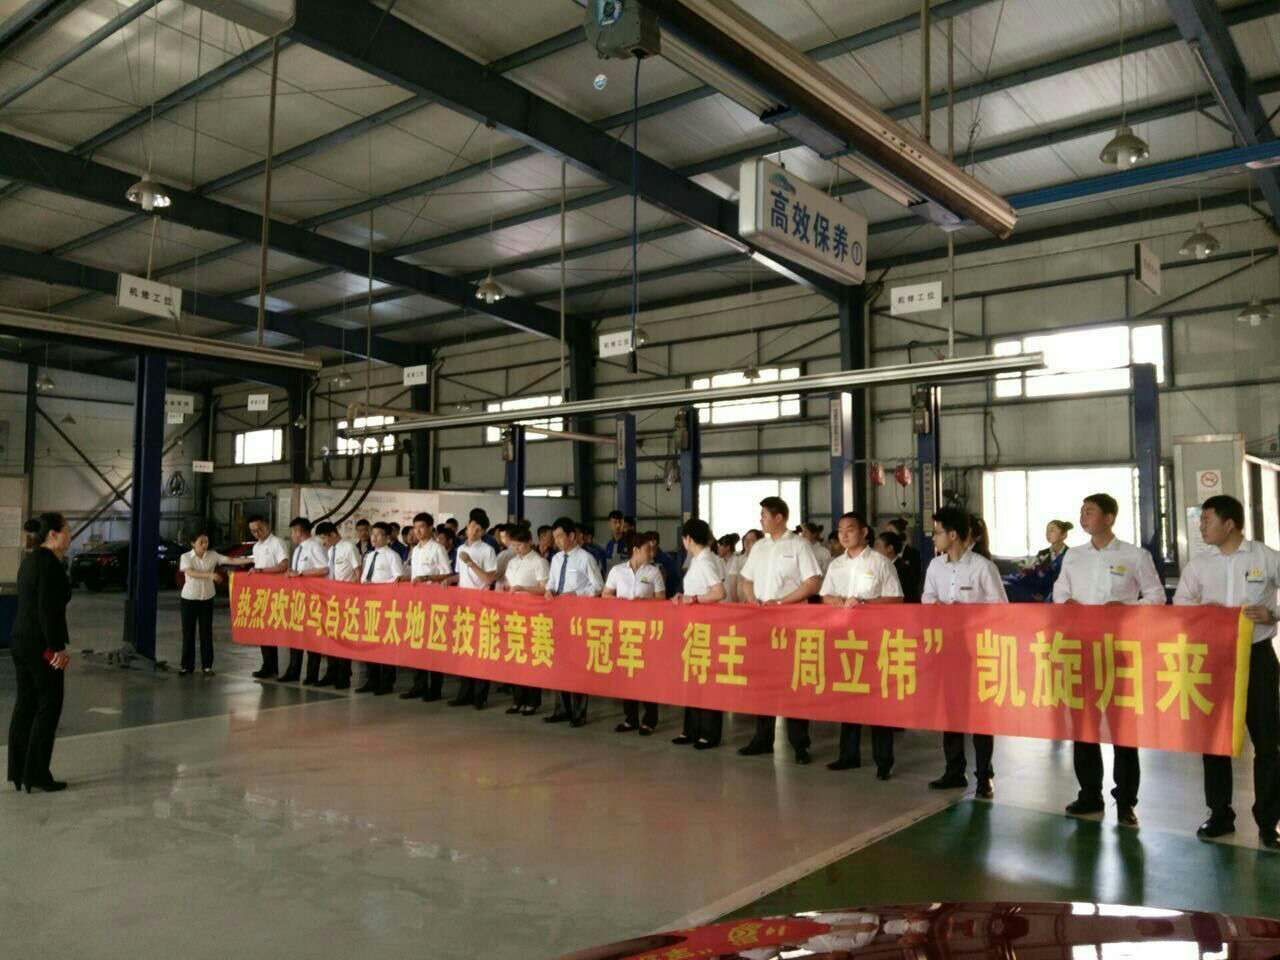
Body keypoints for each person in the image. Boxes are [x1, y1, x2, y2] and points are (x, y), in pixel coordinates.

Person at [1173, 495, 1280, 849]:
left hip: (1257, 658)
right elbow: (1180, 605)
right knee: (1215, 740)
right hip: (1213, 661)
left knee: (1267, 741)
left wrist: (1274, 614)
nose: (1201, 526)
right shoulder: (1199, 566)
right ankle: (1219, 814)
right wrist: (1205, 611)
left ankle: (1268, 822)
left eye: (1207, 520)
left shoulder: (1265, 557)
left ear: (1229, 523)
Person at [1054, 492, 1164, 826]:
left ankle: (1126, 800)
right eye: (1082, 511)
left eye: (1090, 511)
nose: (1083, 517)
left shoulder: (1135, 556)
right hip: (1081, 650)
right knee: (1083, 725)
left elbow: (1156, 597)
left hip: (1119, 652)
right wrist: (1067, 603)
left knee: (1122, 727)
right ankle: (1089, 794)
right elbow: (1059, 591)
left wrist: (1127, 608)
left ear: (1109, 517)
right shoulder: (1074, 556)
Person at [921, 508, 1007, 797]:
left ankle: (984, 776)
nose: (934, 537)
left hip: (978, 651)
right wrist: (939, 608)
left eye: (937, 532)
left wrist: (967, 613)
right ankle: (954, 770)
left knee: (980, 715)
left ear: (953, 535)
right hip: (947, 649)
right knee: (951, 712)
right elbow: (927, 598)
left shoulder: (982, 567)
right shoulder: (935, 566)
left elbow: (1000, 608)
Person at [737, 496, 822, 764]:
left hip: (792, 621)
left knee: (793, 682)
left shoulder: (799, 545)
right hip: (763, 622)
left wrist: (782, 603)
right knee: (762, 681)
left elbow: (813, 582)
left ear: (779, 518)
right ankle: (762, 739)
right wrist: (752, 600)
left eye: (764, 515)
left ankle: (799, 744)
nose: (761, 519)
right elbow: (746, 579)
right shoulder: (759, 547)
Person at [822, 512, 904, 779]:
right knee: (848, 696)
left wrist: (866, 604)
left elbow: (896, 599)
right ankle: (848, 755)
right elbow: (825, 595)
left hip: (875, 641)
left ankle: (883, 761)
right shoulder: (836, 565)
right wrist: (835, 601)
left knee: (878, 701)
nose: (844, 535)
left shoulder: (880, 563)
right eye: (840, 530)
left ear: (864, 532)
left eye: (850, 529)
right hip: (844, 640)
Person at [8, 512, 72, 793]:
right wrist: (56, 648)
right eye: (67, 530)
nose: (70, 535)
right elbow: (48, 611)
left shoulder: (30, 560)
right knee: (49, 705)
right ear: (53, 535)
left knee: (25, 704)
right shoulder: (50, 566)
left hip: (20, 641)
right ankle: (36, 773)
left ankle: (19, 771)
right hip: (41, 646)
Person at [670, 519, 728, 749]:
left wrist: (693, 599)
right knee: (693, 679)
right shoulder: (699, 560)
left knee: (706, 680)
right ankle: (691, 729)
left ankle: (709, 733)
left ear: (688, 539)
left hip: (707, 628)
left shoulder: (705, 562)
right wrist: (684, 598)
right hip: (695, 627)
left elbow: (719, 592)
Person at [603, 531, 666, 735]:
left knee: (647, 676)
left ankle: (650, 719)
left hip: (646, 632)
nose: (652, 553)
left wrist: (645, 602)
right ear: (636, 550)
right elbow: (605, 595)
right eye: (648, 549)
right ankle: (630, 718)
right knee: (627, 675)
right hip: (624, 631)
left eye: (653, 549)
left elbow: (661, 600)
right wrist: (619, 602)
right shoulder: (617, 571)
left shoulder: (654, 572)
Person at [544, 517, 603, 726]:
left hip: (578, 618)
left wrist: (576, 594)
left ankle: (579, 712)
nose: (557, 541)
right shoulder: (556, 559)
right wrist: (549, 591)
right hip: (558, 616)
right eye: (555, 537)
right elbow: (551, 582)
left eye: (560, 536)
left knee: (577, 664)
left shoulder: (586, 558)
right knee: (559, 663)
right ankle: (562, 708)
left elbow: (598, 586)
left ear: (571, 536)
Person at [498, 526, 550, 715]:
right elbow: (509, 583)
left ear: (529, 542)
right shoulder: (512, 562)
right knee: (515, 658)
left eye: (519, 545)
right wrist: (506, 587)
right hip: (514, 616)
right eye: (514, 546)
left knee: (531, 659)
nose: (517, 549)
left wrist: (523, 588)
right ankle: (517, 699)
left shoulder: (539, 562)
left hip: (533, 616)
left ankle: (532, 701)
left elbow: (544, 589)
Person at [451, 511, 499, 709]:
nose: (474, 532)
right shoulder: (461, 548)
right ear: (467, 526)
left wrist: (470, 563)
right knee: (465, 650)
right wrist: (447, 580)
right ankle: (465, 693)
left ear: (483, 532)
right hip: (464, 605)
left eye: (479, 530)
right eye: (473, 527)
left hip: (481, 605)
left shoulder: (487, 550)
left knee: (480, 650)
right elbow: (460, 576)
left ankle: (480, 696)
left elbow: (489, 579)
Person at [403, 512, 453, 702]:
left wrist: (428, 578)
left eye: (421, 527)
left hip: (434, 603)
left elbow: (447, 574)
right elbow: (414, 575)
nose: (418, 531)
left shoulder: (437, 548)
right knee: (418, 645)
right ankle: (419, 685)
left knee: (434, 646)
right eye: (415, 528)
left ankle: (435, 688)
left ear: (431, 528)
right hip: (417, 603)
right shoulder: (415, 550)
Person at [355, 522, 404, 695]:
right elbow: (363, 578)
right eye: (372, 534)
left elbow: (398, 579)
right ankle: (372, 679)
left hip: (385, 605)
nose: (373, 538)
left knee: (385, 645)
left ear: (387, 537)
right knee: (370, 643)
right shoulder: (369, 556)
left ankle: (387, 682)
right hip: (369, 605)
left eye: (378, 535)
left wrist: (378, 587)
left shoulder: (392, 556)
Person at [279, 517, 329, 684]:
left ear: (299, 531)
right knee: (295, 635)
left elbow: (324, 569)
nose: (292, 535)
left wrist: (300, 574)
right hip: (298, 598)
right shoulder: (299, 549)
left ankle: (311, 675)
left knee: (311, 637)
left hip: (312, 598)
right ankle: (293, 671)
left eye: (293, 532)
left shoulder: (315, 546)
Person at [240, 515, 289, 679]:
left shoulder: (277, 543)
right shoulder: (257, 547)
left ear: (267, 526)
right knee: (263, 631)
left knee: (272, 631)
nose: (257, 533)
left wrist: (261, 571)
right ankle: (268, 665)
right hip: (262, 594)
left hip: (276, 594)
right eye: (253, 531)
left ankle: (273, 665)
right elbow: (258, 567)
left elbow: (283, 565)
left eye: (259, 529)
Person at [314, 521, 358, 689]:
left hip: (346, 600)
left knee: (343, 638)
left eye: (325, 538)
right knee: (330, 637)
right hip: (331, 600)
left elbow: (358, 571)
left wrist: (354, 593)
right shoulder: (331, 550)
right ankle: (331, 672)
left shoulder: (349, 547)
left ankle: (344, 675)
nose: (324, 542)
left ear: (333, 534)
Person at [177, 531, 228, 676]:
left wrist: (250, 559)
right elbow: (191, 573)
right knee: (188, 633)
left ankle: (207, 666)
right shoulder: (186, 557)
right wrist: (210, 575)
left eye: (206, 542)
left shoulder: (213, 555)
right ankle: (187, 666)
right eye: (201, 542)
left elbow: (229, 560)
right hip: (189, 599)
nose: (205, 545)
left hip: (207, 599)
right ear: (193, 543)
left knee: (206, 632)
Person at [1006, 520, 1072, 602]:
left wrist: (1044, 595)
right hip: (1037, 592)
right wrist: (1026, 570)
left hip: (1058, 595)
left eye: (1052, 530)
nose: (1047, 533)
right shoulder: (1042, 553)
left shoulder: (1071, 554)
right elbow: (1035, 576)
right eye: (1047, 530)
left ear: (1064, 535)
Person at [875, 531, 920, 603]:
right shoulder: (880, 567)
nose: (875, 550)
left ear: (890, 548)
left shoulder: (903, 569)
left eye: (878, 546)